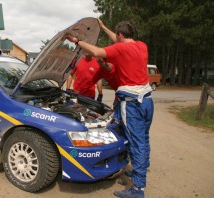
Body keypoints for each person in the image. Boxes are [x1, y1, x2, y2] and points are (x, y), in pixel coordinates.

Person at [65, 19, 154, 198]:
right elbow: (119, 40)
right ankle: (139, 171)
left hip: (132, 104)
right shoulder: (141, 46)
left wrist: (76, 41)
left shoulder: (120, 49)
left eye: (116, 35)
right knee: (142, 138)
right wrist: (104, 28)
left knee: (137, 142)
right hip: (146, 101)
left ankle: (137, 189)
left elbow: (97, 51)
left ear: (120, 35)